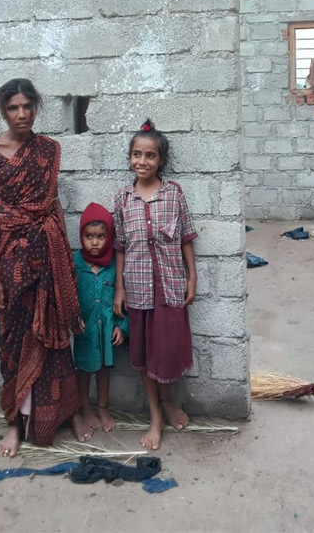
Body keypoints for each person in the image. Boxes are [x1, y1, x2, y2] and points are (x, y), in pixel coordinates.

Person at [0, 78, 91, 458]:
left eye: (27, 106)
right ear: (2, 111)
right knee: (13, 342)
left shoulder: (49, 149)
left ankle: (64, 412)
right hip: (8, 263)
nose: (21, 114)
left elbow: (51, 207)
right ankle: (14, 423)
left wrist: (63, 264)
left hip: (49, 260)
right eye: (13, 107)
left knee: (56, 339)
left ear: (37, 107)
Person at [113, 119, 198, 450]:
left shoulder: (173, 193)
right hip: (138, 290)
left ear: (161, 160)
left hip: (171, 287)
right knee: (146, 357)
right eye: (136, 154)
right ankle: (155, 416)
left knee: (166, 353)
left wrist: (192, 277)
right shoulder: (123, 198)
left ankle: (167, 400)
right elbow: (120, 245)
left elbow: (186, 238)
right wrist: (120, 289)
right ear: (130, 158)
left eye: (150, 156)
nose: (142, 162)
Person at [73, 202, 129, 433]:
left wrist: (121, 327)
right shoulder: (75, 263)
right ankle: (85, 407)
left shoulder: (114, 265)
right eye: (89, 236)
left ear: (109, 237)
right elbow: (66, 296)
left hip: (106, 329)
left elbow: (124, 299)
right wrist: (72, 319)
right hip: (84, 330)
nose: (95, 242)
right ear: (81, 236)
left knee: (104, 370)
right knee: (84, 370)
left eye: (100, 236)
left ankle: (103, 408)